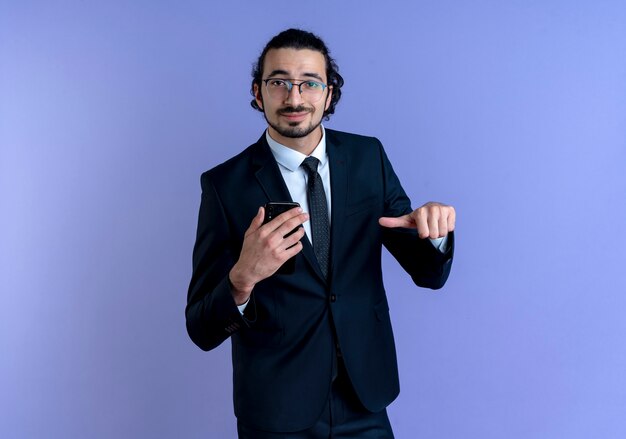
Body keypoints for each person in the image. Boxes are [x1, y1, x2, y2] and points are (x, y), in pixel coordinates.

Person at [186, 28, 455, 438]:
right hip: (276, 412)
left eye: (309, 83)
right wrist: (242, 278)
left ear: (329, 94)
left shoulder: (369, 158)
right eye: (279, 83)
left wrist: (433, 233)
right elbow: (201, 329)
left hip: (365, 397)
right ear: (258, 92)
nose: (294, 98)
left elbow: (429, 275)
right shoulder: (225, 186)